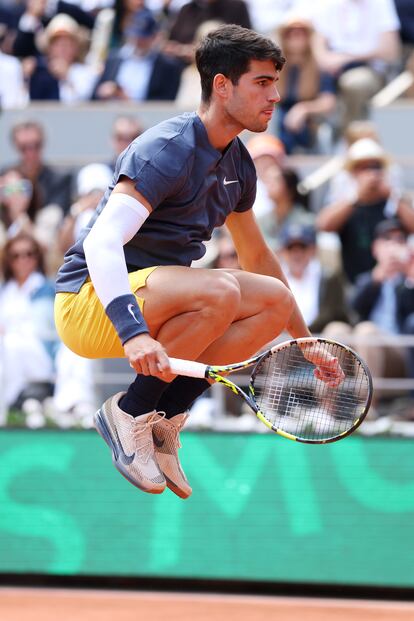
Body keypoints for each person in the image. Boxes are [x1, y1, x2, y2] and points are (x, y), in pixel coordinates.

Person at [54, 24, 343, 499]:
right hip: (90, 303)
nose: (275, 96)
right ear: (222, 85)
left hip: (157, 302)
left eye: (275, 82)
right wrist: (135, 333)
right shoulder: (168, 147)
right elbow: (100, 243)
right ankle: (129, 412)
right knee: (222, 290)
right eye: (262, 82)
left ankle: (165, 421)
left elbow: (256, 255)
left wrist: (303, 339)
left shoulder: (239, 164)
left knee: (271, 301)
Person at [316, 137, 414, 284]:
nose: (372, 173)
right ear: (354, 173)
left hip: (394, 287)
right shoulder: (348, 205)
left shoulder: (394, 204)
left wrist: (391, 195)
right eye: (364, 168)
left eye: (376, 167)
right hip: (356, 287)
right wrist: (357, 197)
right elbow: (323, 225)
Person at [0, 233, 56, 413]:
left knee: (11, 343)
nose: (23, 260)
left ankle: (11, 403)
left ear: (37, 257)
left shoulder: (49, 289)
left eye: (29, 254)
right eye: (16, 256)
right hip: (8, 353)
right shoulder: (4, 291)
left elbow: (49, 330)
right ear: (9, 261)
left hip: (40, 351)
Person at [274, 13, 336, 155]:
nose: (296, 37)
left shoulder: (319, 67)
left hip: (309, 121)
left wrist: (303, 109)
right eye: (291, 33)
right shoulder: (274, 67)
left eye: (302, 33)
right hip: (278, 116)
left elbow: (328, 102)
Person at [93, 7, 183, 102]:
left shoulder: (168, 67)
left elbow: (166, 103)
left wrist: (129, 100)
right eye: (136, 36)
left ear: (154, 37)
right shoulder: (112, 60)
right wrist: (102, 91)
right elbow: (93, 96)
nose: (138, 41)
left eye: (144, 37)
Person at [277, 222, 351, 333]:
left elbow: (337, 314)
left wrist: (305, 333)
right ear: (282, 251)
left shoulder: (328, 277)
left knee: (338, 330)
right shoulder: (274, 277)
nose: (297, 254)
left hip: (321, 339)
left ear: (313, 249)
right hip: (281, 339)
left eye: (302, 247)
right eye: (290, 248)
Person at [6, 120, 73, 215]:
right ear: (16, 147)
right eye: (23, 147)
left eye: (36, 145)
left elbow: (59, 217)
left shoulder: (59, 180)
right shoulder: (5, 176)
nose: (30, 153)